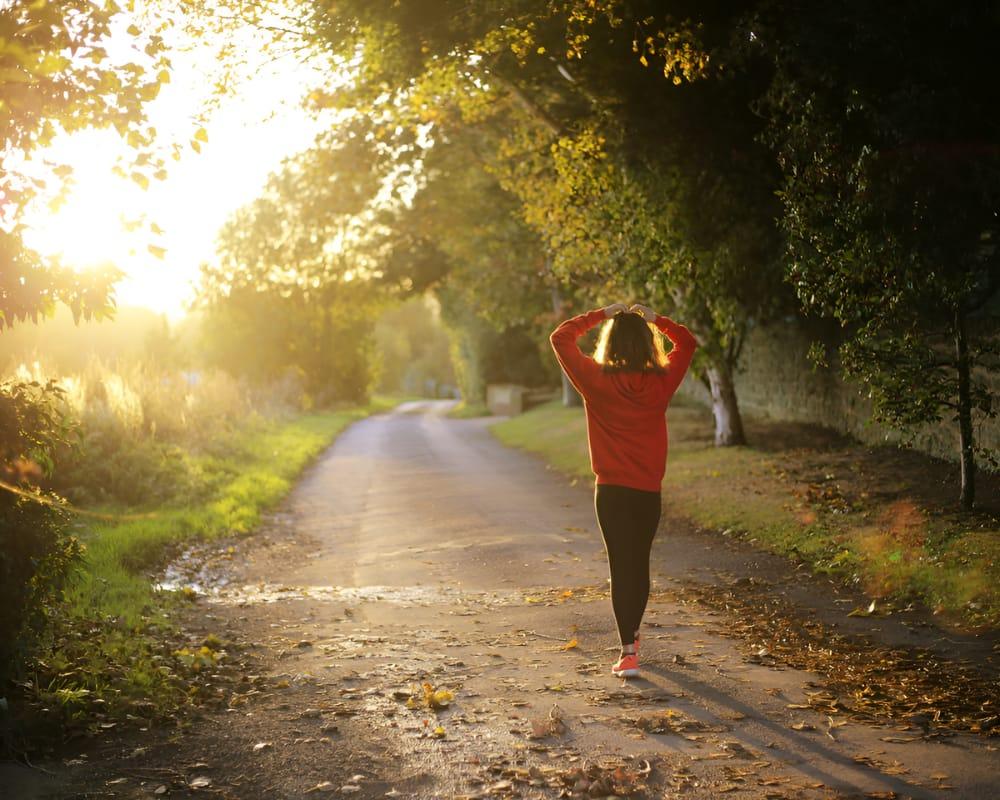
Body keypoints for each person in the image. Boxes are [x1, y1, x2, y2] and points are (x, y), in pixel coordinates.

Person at [549, 302, 698, 678]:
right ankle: (632, 638)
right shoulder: (662, 381)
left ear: (610, 343)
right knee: (639, 564)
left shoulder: (594, 379)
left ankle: (628, 651)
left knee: (621, 566)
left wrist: (601, 314)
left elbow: (560, 337)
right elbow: (688, 342)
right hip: (648, 491)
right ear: (647, 344)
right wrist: (656, 320)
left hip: (612, 492)